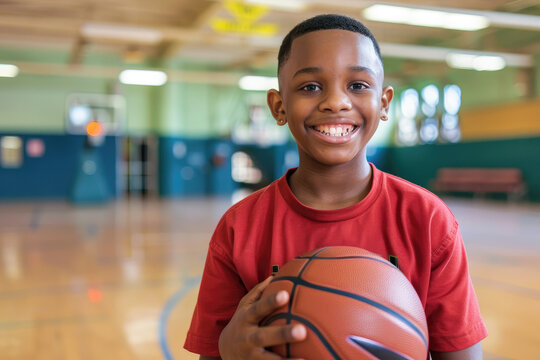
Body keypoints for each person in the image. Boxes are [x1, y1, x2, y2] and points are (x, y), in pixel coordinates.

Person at [184, 14, 488, 360]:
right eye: (310, 87)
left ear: (384, 103)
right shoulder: (239, 228)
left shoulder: (428, 219)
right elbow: (213, 353)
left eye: (358, 85)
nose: (336, 102)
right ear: (278, 106)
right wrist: (228, 350)